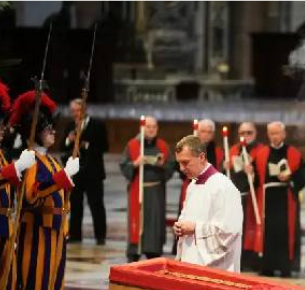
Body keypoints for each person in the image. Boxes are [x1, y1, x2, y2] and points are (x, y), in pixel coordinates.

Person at [9, 90, 79, 290]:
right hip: (35, 232)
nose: (53, 132)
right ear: (35, 132)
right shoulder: (31, 160)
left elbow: (59, 194)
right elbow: (31, 196)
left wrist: (65, 180)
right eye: (48, 128)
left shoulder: (49, 159)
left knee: (48, 287)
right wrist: (62, 178)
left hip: (53, 231)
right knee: (33, 286)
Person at [0, 79, 36, 290]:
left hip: (2, 223)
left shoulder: (0, 152)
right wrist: (15, 169)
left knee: (2, 287)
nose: (2, 129)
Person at [174, 135, 242, 271]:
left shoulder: (223, 187)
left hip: (215, 269)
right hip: (190, 261)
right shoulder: (192, 185)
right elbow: (186, 218)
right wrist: (180, 227)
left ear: (201, 157)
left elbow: (230, 232)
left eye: (185, 162)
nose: (181, 168)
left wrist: (195, 228)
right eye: (179, 163)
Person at [247, 121, 305, 277]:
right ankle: (267, 267)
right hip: (267, 198)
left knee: (285, 233)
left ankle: (285, 267)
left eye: (277, 133)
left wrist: (290, 177)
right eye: (271, 134)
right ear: (268, 135)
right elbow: (255, 180)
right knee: (268, 233)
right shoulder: (261, 154)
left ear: (284, 134)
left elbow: (302, 176)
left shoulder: (294, 153)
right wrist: (250, 172)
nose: (274, 137)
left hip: (286, 198)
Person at [120, 116, 175, 262]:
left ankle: (153, 251)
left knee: (154, 222)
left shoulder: (163, 146)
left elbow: (171, 166)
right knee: (137, 221)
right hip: (138, 189)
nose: (151, 130)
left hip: (155, 191)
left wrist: (162, 165)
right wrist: (135, 164)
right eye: (148, 127)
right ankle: (134, 251)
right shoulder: (133, 145)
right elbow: (124, 165)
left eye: (154, 127)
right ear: (142, 128)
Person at [61, 98, 108, 245]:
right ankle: (75, 235)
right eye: (73, 111)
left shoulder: (97, 125)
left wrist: (84, 144)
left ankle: (100, 236)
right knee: (75, 205)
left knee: (96, 205)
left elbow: (104, 146)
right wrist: (69, 140)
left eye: (77, 110)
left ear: (84, 110)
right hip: (76, 173)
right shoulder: (70, 125)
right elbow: (62, 146)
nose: (75, 113)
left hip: (93, 173)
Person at [226, 122, 264, 271]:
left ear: (255, 133)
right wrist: (225, 166)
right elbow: (227, 174)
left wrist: (253, 172)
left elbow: (264, 174)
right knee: (235, 229)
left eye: (249, 133)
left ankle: (249, 262)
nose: (246, 136)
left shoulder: (261, 150)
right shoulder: (233, 150)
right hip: (236, 196)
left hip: (253, 196)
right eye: (242, 133)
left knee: (251, 230)